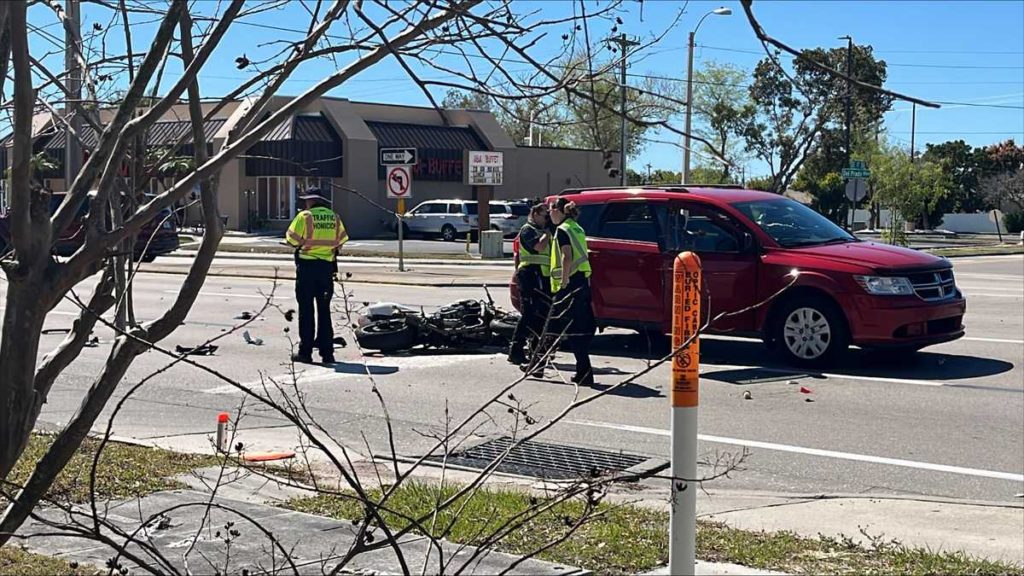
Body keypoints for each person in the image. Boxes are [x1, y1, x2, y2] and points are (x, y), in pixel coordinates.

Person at [285, 187, 348, 364]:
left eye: (306, 200)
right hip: (326, 269)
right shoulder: (334, 217)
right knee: (324, 311)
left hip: (307, 268)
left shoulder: (305, 217)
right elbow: (340, 243)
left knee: (306, 311)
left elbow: (292, 240)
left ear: (310, 201)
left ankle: (305, 352)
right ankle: (327, 353)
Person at [548, 197, 595, 386]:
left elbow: (567, 256)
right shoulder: (577, 227)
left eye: (551, 209)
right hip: (582, 282)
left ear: (559, 210)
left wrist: (564, 281)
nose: (550, 213)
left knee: (557, 326)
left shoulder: (563, 230)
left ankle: (538, 365)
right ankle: (584, 371)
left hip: (569, 285)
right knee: (578, 328)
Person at [507, 203, 552, 366]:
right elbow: (539, 247)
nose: (546, 219)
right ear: (535, 214)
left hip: (542, 277)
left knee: (541, 315)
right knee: (529, 314)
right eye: (544, 216)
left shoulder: (543, 232)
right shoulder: (528, 230)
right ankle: (516, 350)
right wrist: (547, 233)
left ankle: (536, 350)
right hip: (529, 276)